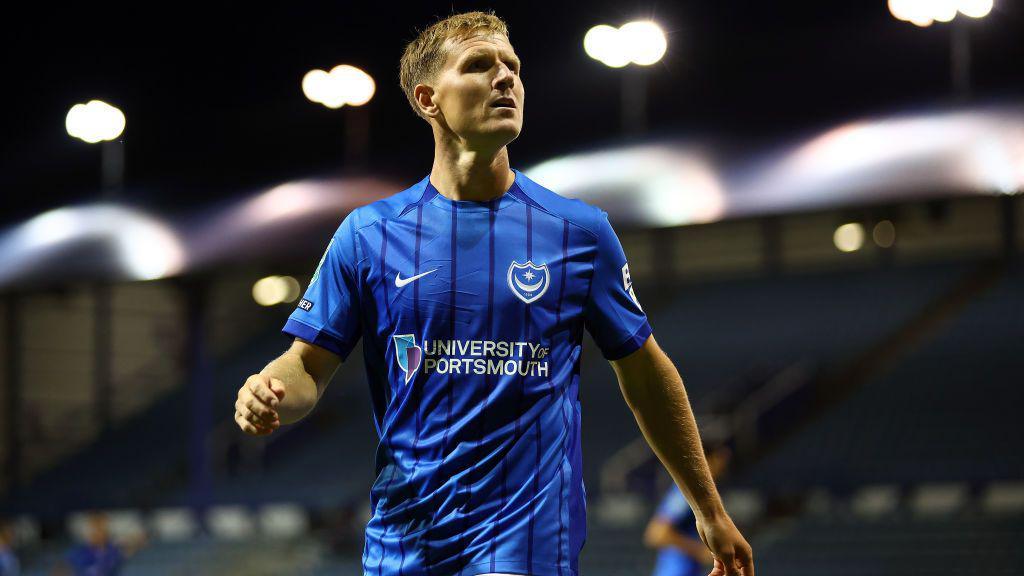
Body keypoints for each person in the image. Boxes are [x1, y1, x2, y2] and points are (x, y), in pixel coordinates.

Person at [234, 10, 754, 576]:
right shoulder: (368, 235)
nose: (504, 78)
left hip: (526, 541)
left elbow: (647, 374)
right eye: (479, 66)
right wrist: (270, 391)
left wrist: (707, 507)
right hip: (404, 543)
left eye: (512, 66)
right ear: (428, 99)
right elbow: (306, 367)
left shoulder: (578, 232)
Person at [645, 445, 733, 576]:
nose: (723, 467)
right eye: (718, 459)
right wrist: (699, 551)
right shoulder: (686, 492)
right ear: (705, 460)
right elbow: (657, 534)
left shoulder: (700, 493)